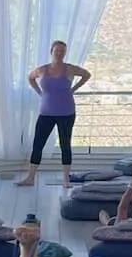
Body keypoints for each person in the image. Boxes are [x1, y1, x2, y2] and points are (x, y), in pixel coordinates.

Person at [16, 40, 91, 188]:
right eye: (57, 50)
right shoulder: (43, 70)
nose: (59, 53)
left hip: (66, 112)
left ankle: (66, 180)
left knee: (65, 145)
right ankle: (30, 177)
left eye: (62, 51)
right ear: (52, 51)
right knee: (38, 144)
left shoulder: (70, 69)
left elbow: (87, 74)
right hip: (46, 113)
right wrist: (39, 92)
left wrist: (74, 88)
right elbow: (30, 77)